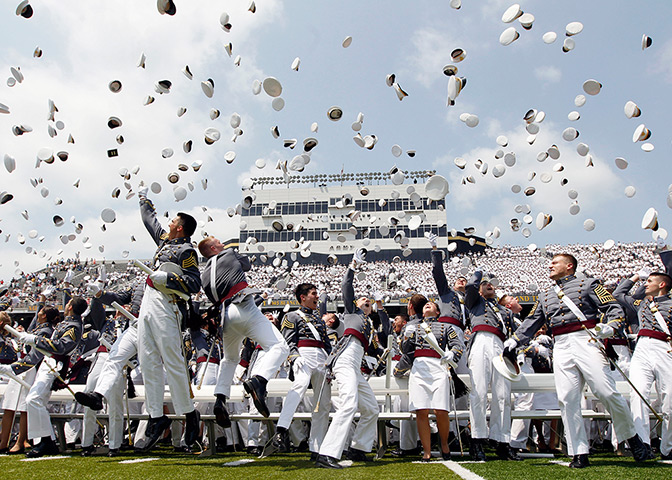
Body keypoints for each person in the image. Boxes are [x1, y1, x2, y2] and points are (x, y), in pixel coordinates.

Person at [508, 253, 649, 468]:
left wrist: (610, 326)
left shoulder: (589, 283)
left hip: (587, 339)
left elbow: (613, 307)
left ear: (569, 265)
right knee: (567, 399)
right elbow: (533, 321)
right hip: (561, 345)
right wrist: (515, 340)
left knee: (606, 391)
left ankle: (632, 437)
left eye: (555, 262)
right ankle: (578, 452)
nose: (550, 265)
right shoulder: (545, 294)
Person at [133, 188, 201, 451]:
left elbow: (193, 284)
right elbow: (151, 221)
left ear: (181, 229)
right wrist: (143, 199)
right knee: (148, 360)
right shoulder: (165, 242)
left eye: (173, 221)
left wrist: (169, 279)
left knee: (172, 361)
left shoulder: (186, 251)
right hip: (149, 301)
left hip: (167, 302)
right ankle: (156, 417)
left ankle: (189, 413)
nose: (169, 222)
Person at [198, 236, 288, 429]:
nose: (223, 243)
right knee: (279, 346)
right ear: (214, 248)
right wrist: (233, 249)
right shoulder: (229, 253)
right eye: (218, 242)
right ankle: (259, 381)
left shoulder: (204, 274)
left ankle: (220, 398)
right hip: (245, 306)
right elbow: (246, 265)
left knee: (229, 359)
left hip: (225, 316)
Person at [315, 250, 379, 469]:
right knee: (349, 404)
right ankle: (327, 453)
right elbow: (346, 287)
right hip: (345, 358)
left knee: (371, 408)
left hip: (356, 363)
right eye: (362, 298)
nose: (365, 300)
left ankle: (358, 448)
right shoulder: (352, 313)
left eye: (368, 300)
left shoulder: (370, 323)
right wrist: (352, 266)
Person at [0, 296, 86, 458]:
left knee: (33, 400)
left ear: (70, 307)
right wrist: (12, 369)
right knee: (33, 400)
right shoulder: (67, 323)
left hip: (55, 365)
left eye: (68, 303)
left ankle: (46, 441)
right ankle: (46, 441)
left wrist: (36, 339)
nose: (66, 304)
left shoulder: (74, 325)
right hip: (48, 363)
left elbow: (63, 347)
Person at [613, 266, 672, 460]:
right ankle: (643, 445)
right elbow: (618, 294)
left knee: (669, 399)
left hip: (665, 347)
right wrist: (636, 276)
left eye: (649, 282)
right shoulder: (642, 303)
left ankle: (667, 447)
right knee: (638, 395)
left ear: (661, 285)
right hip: (642, 348)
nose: (645, 284)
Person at [270, 283, 331, 460]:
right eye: (313, 294)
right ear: (303, 297)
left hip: (321, 358)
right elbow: (288, 341)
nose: (317, 297)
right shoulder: (291, 316)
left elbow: (326, 343)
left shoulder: (319, 318)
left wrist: (330, 362)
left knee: (323, 404)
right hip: (304, 355)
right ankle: (281, 430)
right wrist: (294, 357)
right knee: (299, 388)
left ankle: (317, 448)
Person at [397, 301, 464, 461]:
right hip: (419, 369)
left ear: (438, 311)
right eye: (425, 304)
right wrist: (406, 336)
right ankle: (426, 451)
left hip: (438, 368)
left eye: (431, 304)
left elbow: (457, 345)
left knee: (441, 410)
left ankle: (444, 443)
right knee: (421, 411)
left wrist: (453, 354)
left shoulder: (446, 327)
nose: (427, 305)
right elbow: (405, 351)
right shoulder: (414, 327)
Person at [465, 269, 521, 461]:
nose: (490, 285)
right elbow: (470, 287)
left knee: (503, 395)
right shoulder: (475, 302)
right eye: (485, 284)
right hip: (481, 341)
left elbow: (515, 335)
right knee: (479, 393)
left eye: (492, 283)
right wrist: (479, 273)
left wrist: (513, 354)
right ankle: (477, 440)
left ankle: (502, 440)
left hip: (500, 345)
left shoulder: (505, 311)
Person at [0, 296, 57, 455]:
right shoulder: (39, 327)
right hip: (22, 366)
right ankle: (3, 442)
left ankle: (21, 441)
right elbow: (32, 327)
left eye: (40, 311)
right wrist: (42, 300)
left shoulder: (46, 330)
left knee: (24, 406)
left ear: (44, 315)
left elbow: (35, 354)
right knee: (10, 405)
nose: (37, 314)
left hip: (29, 368)